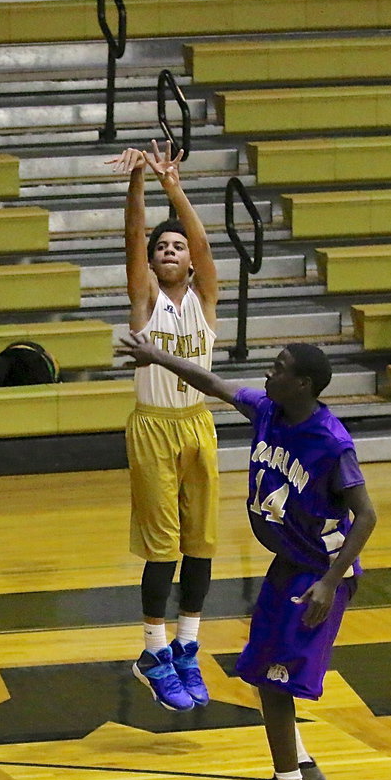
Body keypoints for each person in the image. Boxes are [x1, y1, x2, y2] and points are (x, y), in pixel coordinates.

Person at [117, 337, 377, 780]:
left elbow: (366, 516)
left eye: (278, 368)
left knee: (276, 682)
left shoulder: (331, 442)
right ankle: (299, 767)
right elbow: (212, 383)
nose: (267, 373)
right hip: (288, 563)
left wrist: (329, 581)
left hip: (316, 575)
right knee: (259, 668)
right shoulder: (268, 412)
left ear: (302, 384)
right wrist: (156, 358)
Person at [107, 141, 219, 713]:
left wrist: (175, 185)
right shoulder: (146, 302)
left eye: (178, 246)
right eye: (162, 248)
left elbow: (202, 240)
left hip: (199, 427)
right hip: (153, 429)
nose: (172, 250)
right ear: (151, 264)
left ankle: (188, 646)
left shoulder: (204, 299)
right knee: (163, 548)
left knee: (201, 544)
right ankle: (152, 651)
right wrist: (139, 185)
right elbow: (132, 238)